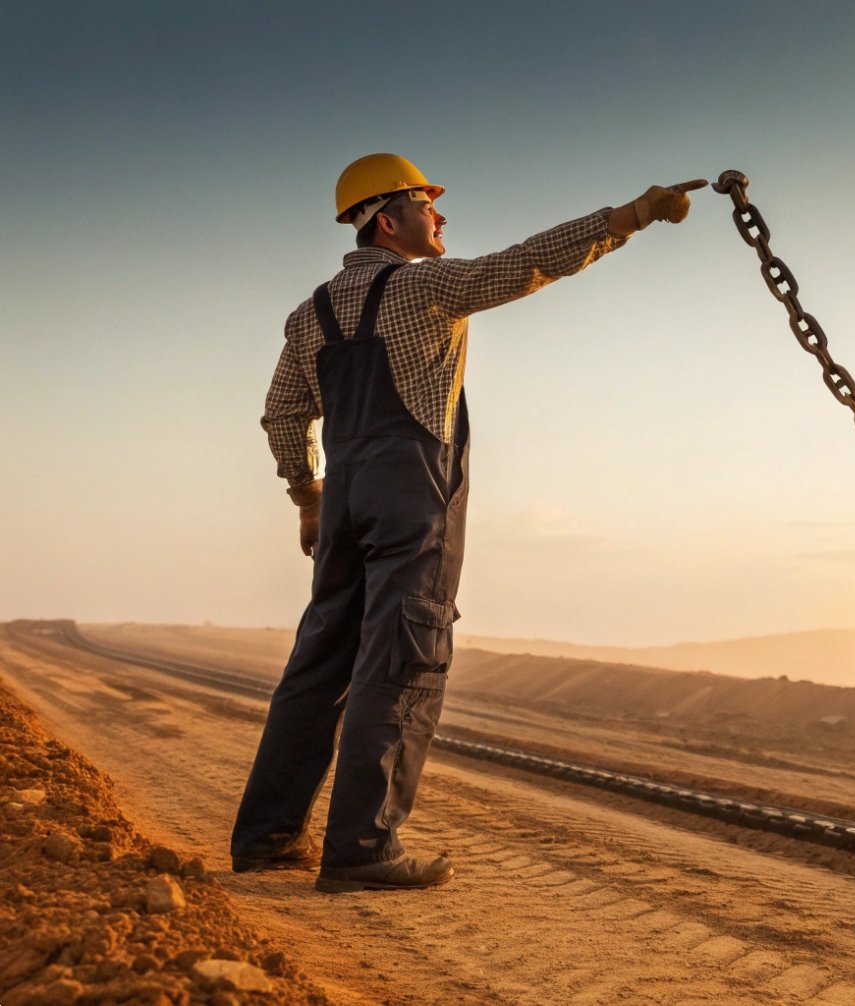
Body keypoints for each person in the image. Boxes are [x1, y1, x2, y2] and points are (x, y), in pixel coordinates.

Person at [231, 153, 705, 892]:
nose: (441, 216)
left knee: (318, 666)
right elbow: (525, 265)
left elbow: (283, 412)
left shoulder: (310, 314)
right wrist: (630, 218)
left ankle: (265, 839)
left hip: (349, 495)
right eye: (428, 204)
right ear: (388, 220)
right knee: (403, 656)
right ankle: (361, 850)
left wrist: (309, 497)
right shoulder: (424, 284)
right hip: (413, 494)